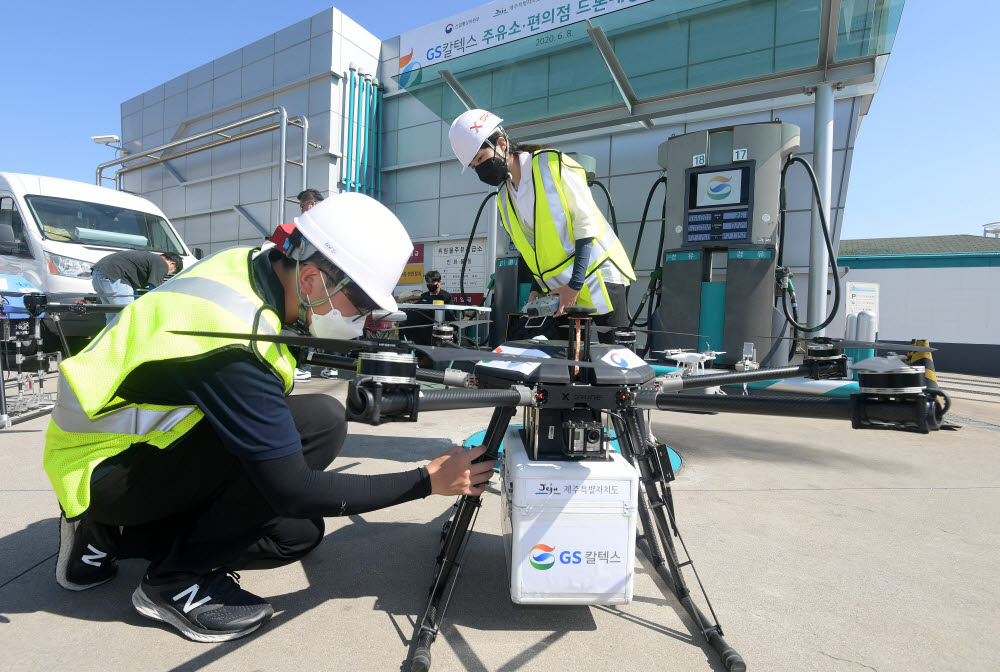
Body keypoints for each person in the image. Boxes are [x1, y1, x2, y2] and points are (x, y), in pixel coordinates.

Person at [45, 193, 496, 643]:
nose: (361, 322)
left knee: (296, 535)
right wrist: (427, 480)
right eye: (359, 308)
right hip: (103, 468)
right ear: (316, 280)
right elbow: (293, 488)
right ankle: (172, 581)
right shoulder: (227, 339)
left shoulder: (250, 269)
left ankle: (110, 538)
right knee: (318, 425)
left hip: (144, 451)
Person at [448, 109, 636, 343]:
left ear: (502, 144)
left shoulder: (550, 164)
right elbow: (537, 248)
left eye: (481, 159)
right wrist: (538, 288)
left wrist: (575, 284)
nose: (480, 169)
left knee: (616, 358)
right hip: (562, 287)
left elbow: (585, 224)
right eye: (475, 167)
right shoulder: (505, 197)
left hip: (599, 276)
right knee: (568, 362)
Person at [91, 250, 183, 322]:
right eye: (173, 271)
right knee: (128, 316)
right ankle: (124, 344)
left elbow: (132, 291)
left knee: (112, 316)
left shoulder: (147, 259)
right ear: (172, 263)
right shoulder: (161, 263)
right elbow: (154, 290)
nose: (168, 273)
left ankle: (109, 344)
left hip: (97, 274)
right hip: (115, 276)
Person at [295, 189, 325, 381]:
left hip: (310, 282)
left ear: (311, 203)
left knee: (302, 323)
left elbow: (296, 251)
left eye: (302, 206)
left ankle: (299, 366)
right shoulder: (328, 222)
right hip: (324, 284)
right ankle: (328, 367)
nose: (302, 211)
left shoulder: (312, 224)